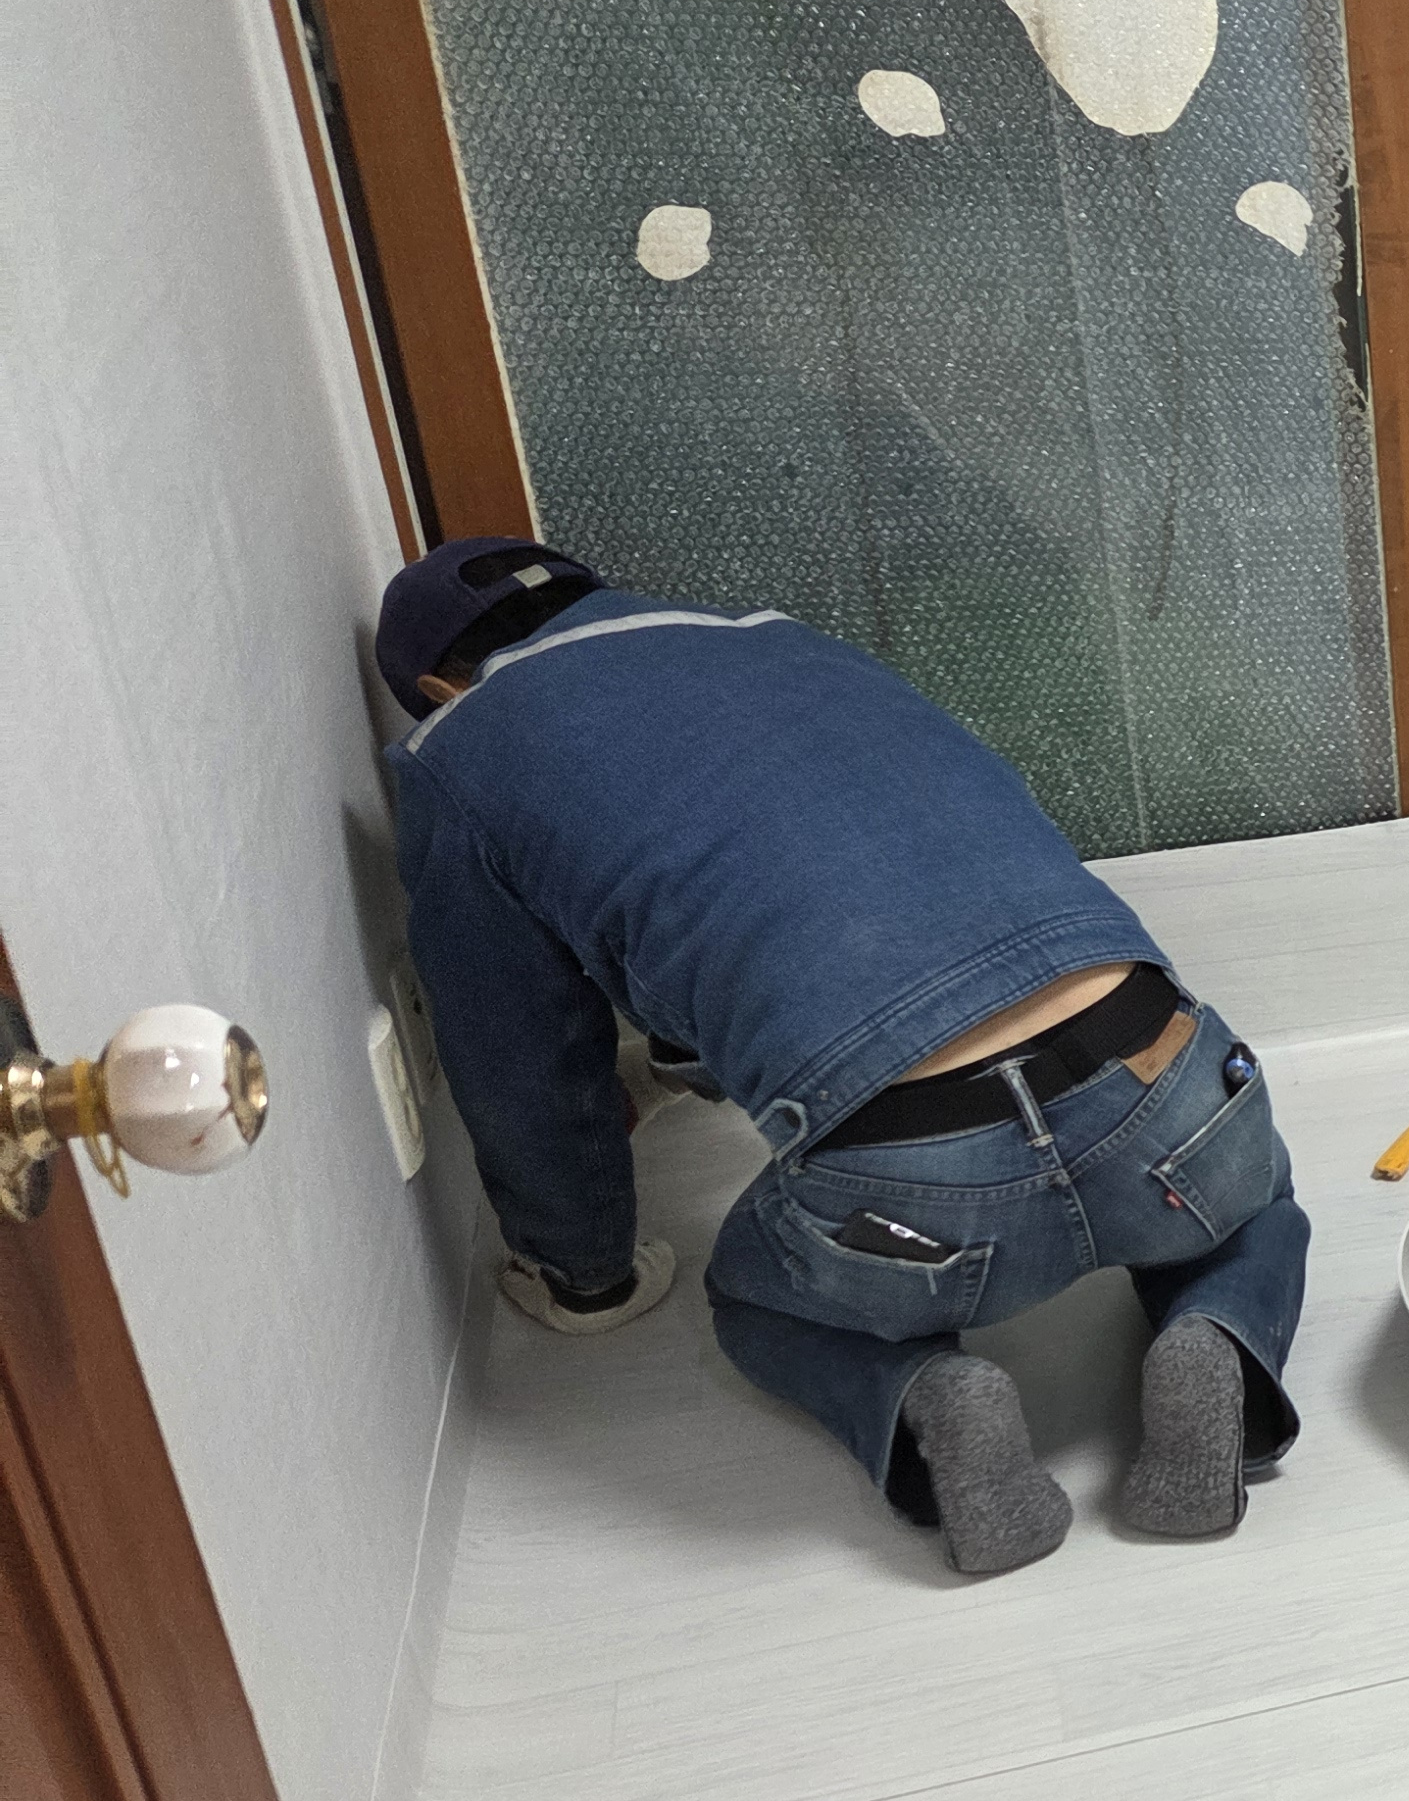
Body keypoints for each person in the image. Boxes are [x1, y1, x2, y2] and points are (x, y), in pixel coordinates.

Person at [376, 538, 1305, 1576]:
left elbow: (518, 1051)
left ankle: (925, 1397)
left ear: (437, 688)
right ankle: (1219, 1336)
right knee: (1252, 1205)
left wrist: (584, 1269)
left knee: (754, 1298)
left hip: (920, 1191)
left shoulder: (457, 752)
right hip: (1164, 1086)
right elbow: (848, 873)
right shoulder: (778, 639)